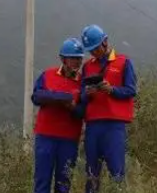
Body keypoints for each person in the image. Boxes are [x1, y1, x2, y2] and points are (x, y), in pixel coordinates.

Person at [79, 24, 137, 193]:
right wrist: (87, 93)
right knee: (91, 173)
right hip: (93, 126)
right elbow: (81, 94)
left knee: (116, 171)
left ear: (105, 42)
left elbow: (131, 90)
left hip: (114, 126)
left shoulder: (123, 62)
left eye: (96, 48)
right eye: (91, 50)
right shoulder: (87, 66)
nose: (94, 53)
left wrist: (111, 90)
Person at [31, 37, 85, 193]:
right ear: (63, 58)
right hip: (45, 136)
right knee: (42, 180)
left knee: (64, 183)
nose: (77, 62)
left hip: (69, 139)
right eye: (73, 58)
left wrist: (72, 107)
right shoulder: (47, 75)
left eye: (79, 59)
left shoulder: (83, 82)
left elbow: (83, 111)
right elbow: (36, 97)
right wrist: (55, 97)